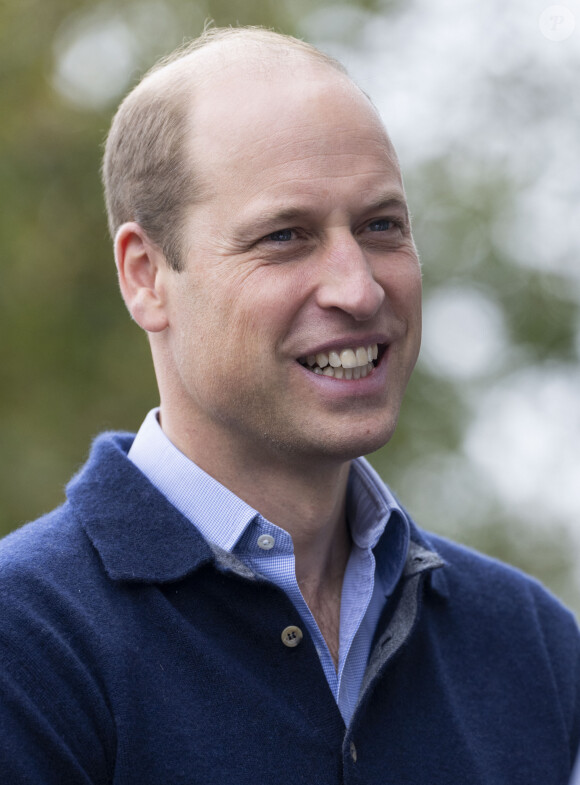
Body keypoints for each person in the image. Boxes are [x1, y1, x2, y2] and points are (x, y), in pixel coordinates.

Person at [0, 26, 578, 785]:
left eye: (381, 226)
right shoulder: (28, 642)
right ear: (145, 276)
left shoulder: (529, 643)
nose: (360, 287)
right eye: (285, 236)